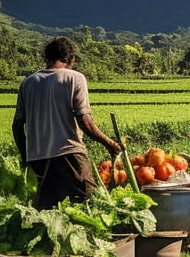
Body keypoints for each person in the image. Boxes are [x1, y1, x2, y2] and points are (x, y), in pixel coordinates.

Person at [13, 36, 122, 209]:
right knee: (89, 204)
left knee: (49, 213)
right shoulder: (74, 78)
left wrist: (27, 157)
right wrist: (110, 144)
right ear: (70, 58)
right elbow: (85, 121)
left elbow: (17, 126)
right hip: (68, 154)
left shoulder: (28, 82)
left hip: (39, 159)